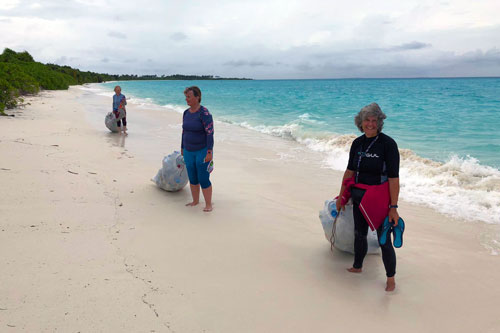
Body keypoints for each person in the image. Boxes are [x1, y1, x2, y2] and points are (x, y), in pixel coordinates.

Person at [336, 103, 401, 292]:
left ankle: (390, 279)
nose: (370, 124)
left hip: (379, 199)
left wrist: (394, 207)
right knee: (359, 233)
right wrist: (341, 197)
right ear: (360, 122)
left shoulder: (388, 144)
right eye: (367, 120)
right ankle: (358, 266)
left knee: (384, 241)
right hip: (359, 197)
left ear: (380, 123)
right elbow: (349, 171)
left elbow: (394, 178)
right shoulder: (357, 143)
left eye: (374, 120)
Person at [181, 86, 214, 212]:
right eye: (186, 97)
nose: (186, 99)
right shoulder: (186, 113)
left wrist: (209, 152)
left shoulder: (204, 113)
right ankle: (195, 201)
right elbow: (184, 131)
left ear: (197, 97)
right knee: (192, 177)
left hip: (202, 150)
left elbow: (210, 133)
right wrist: (182, 147)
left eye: (189, 97)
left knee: (203, 178)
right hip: (188, 150)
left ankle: (208, 204)